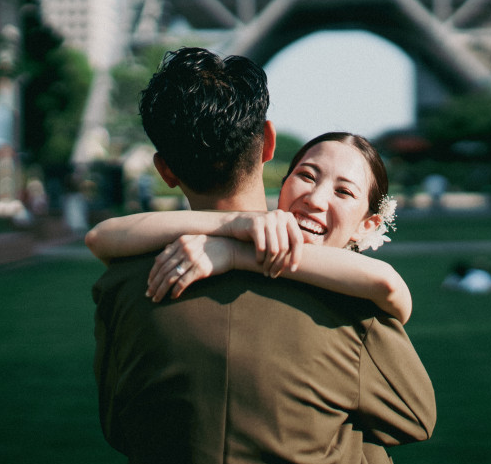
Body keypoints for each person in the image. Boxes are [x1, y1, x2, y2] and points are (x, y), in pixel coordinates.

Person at [90, 47, 435, 464]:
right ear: (269, 142)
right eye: (309, 175)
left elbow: (119, 426)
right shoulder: (345, 298)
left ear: (165, 170)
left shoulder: (123, 284)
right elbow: (414, 418)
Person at [87, 131, 412, 322]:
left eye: (343, 192)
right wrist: (236, 223)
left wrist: (234, 253)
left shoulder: (360, 297)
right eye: (307, 176)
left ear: (368, 225)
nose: (315, 199)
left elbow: (387, 282)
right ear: (283, 184)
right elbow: (100, 237)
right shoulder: (235, 240)